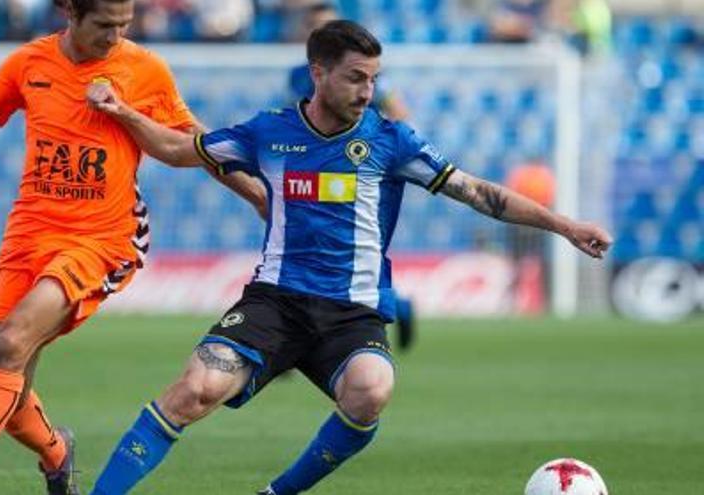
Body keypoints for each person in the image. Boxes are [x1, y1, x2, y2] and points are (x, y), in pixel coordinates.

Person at [85, 19, 612, 494]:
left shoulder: (391, 140)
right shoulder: (270, 132)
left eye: (374, 79)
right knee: (194, 391)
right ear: (318, 73)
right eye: (356, 78)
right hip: (276, 301)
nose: (368, 92)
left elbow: (478, 192)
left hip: (351, 310)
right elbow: (179, 150)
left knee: (371, 389)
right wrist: (123, 112)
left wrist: (564, 226)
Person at [0, 1, 264, 494]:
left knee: (11, 344)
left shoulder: (144, 69)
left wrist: (256, 194)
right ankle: (57, 454)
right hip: (29, 232)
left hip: (99, 237)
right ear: (71, 14)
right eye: (104, 25)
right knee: (10, 386)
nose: (115, 36)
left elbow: (194, 140)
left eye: (124, 25)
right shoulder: (31, 62)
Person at [289, 2, 417, 350]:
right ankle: (287, 329)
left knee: (359, 247)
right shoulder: (298, 75)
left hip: (360, 170)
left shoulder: (369, 77)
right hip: (316, 171)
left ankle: (398, 305)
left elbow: (399, 113)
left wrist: (390, 156)